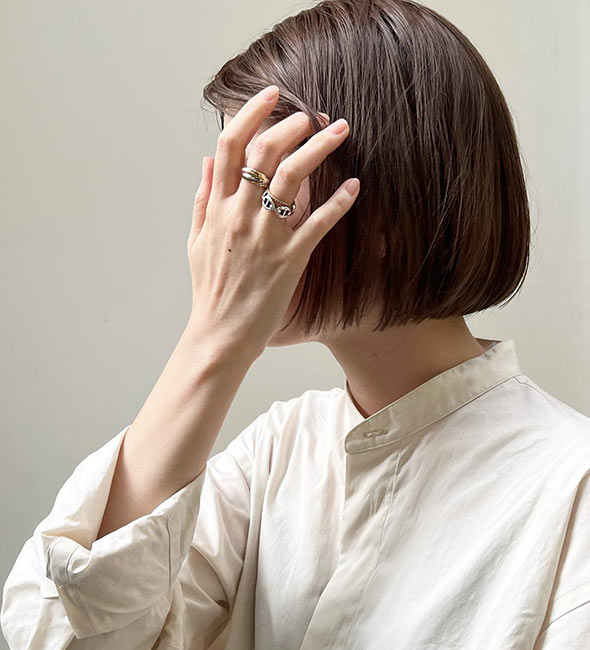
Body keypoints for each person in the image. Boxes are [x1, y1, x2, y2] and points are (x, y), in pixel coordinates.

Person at [2, 0, 589, 648]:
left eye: (266, 182)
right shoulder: (277, 454)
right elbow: (58, 635)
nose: (230, 224)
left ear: (385, 209)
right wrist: (212, 339)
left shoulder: (571, 491)